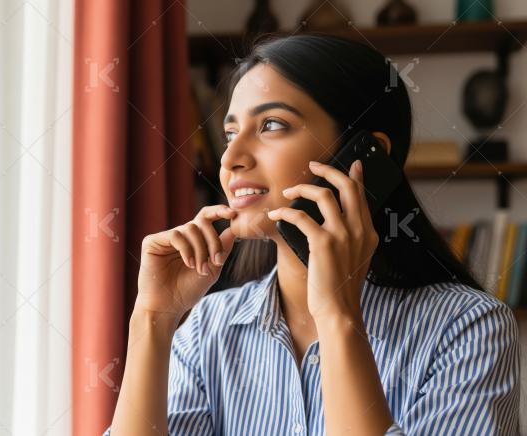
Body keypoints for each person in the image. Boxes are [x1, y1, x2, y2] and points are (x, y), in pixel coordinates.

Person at [103, 34, 520, 435]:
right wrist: (154, 319)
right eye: (230, 133)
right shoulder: (208, 330)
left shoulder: (468, 328)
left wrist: (338, 317)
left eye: (271, 125)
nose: (231, 159)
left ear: (364, 156)